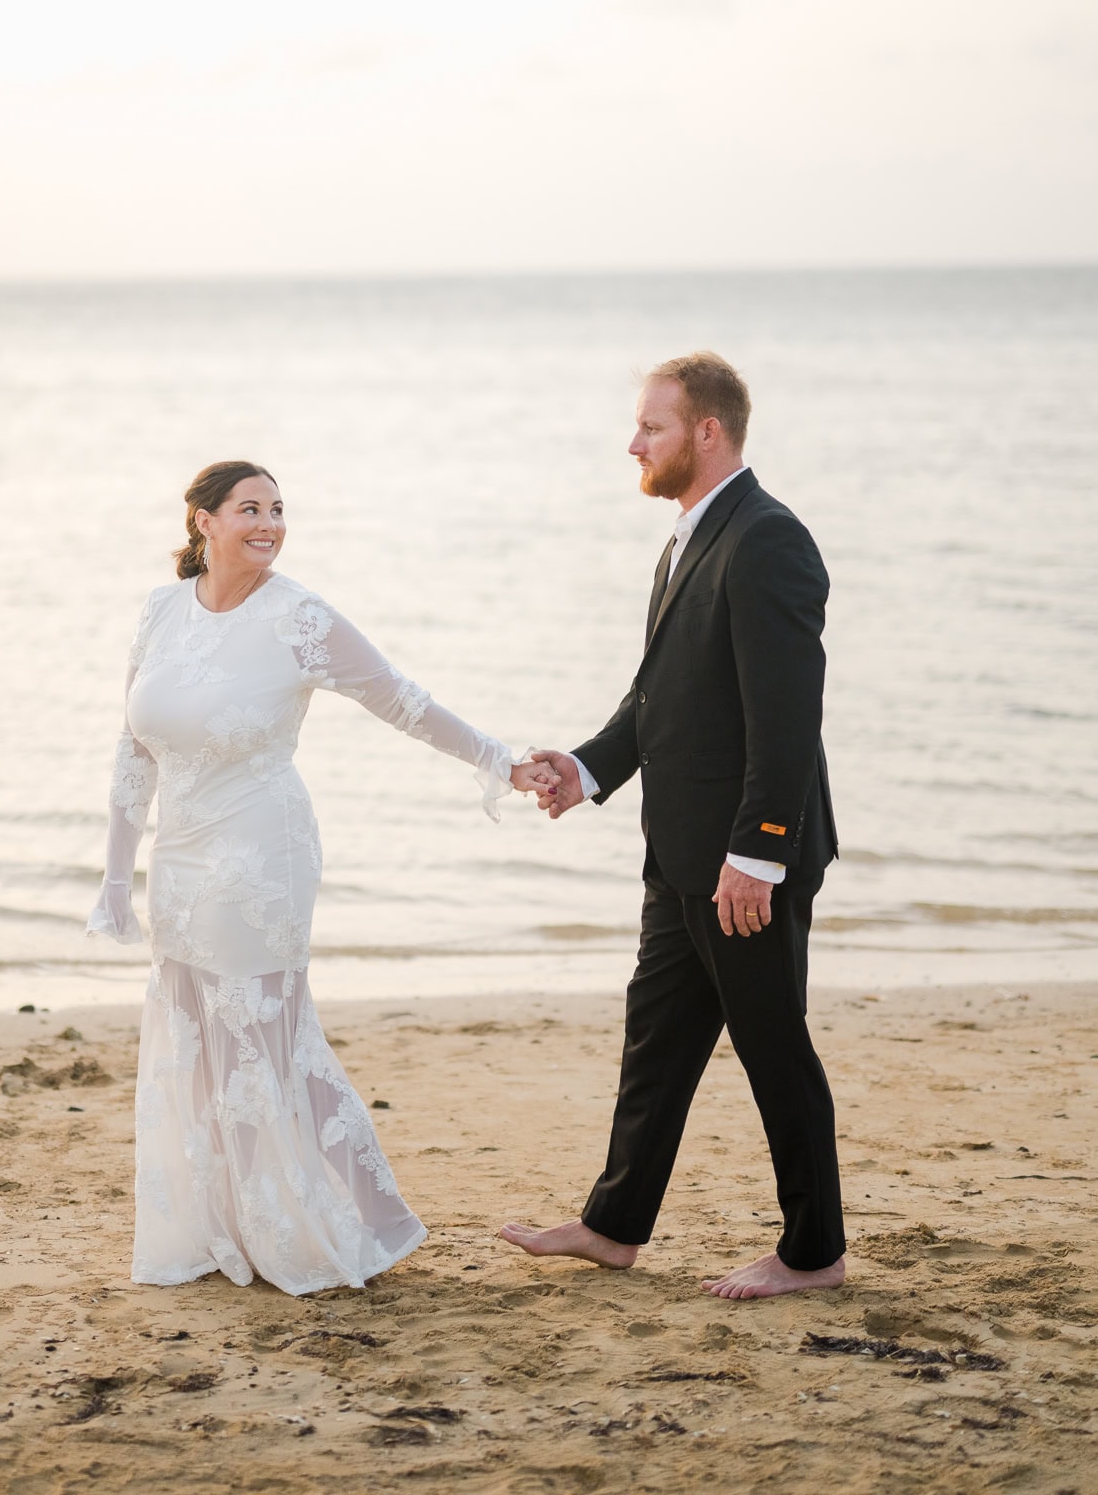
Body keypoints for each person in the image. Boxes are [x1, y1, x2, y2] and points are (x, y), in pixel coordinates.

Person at [87, 459, 553, 1296]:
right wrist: (117, 875)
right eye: (248, 509)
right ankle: (224, 1224)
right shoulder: (160, 610)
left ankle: (357, 1221)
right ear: (203, 521)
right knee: (198, 1041)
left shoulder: (299, 618)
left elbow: (400, 699)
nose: (268, 524)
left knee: (264, 1034)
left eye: (276, 509)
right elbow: (133, 748)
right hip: (180, 858)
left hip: (260, 852)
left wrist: (500, 761)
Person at [501, 353, 846, 1299]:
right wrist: (585, 770)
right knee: (655, 1043)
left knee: (773, 1048)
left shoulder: (767, 539)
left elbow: (787, 717)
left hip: (742, 863)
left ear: (706, 431)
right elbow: (660, 696)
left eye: (650, 427)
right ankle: (613, 1227)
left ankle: (813, 1254)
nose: (633, 444)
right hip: (680, 853)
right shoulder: (688, 540)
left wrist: (758, 854)